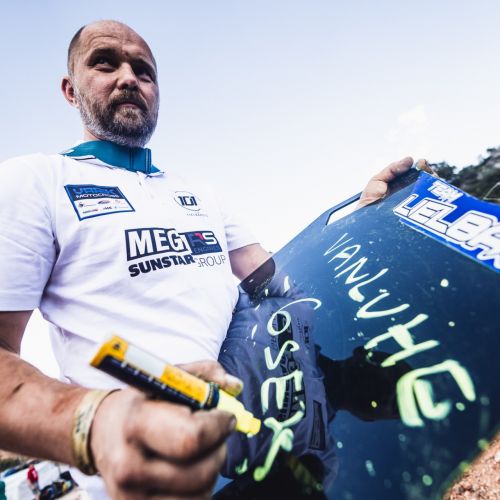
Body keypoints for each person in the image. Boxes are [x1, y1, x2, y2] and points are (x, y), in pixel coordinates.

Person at [0, 19, 414, 499]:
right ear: (70, 90)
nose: (129, 78)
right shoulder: (34, 181)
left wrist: (365, 219)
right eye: (105, 64)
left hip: (286, 455)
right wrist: (97, 421)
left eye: (144, 71)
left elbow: (281, 283)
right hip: (157, 482)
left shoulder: (199, 192)